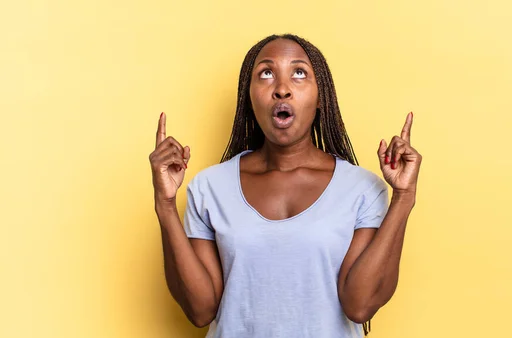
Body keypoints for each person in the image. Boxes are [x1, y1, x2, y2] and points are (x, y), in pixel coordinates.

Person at [149, 34, 423, 338]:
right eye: (266, 73)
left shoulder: (362, 188)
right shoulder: (209, 187)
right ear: (248, 97)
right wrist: (164, 205)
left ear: (321, 98)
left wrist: (403, 198)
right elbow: (200, 311)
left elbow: (359, 306)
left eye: (299, 73)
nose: (281, 89)